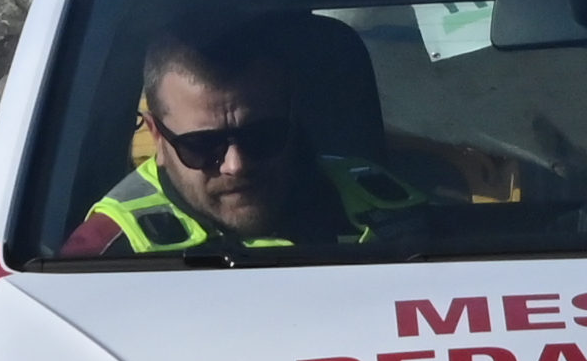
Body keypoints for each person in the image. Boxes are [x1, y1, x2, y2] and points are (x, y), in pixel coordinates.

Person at [57, 17, 424, 258]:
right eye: (202, 146)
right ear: (158, 139)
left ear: (293, 119)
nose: (236, 164)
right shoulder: (102, 258)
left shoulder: (389, 207)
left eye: (262, 135)